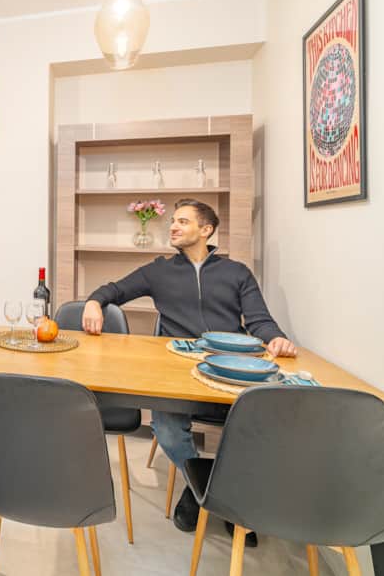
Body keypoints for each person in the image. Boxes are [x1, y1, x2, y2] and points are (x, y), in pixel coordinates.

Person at [81, 199, 296, 540]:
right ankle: (203, 486)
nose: (174, 227)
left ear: (206, 230)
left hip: (228, 372)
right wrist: (94, 302)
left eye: (183, 221)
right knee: (165, 427)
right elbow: (114, 290)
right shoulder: (159, 271)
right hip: (177, 371)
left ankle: (222, 491)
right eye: (174, 222)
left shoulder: (236, 273)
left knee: (258, 423)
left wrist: (278, 340)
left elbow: (259, 321)